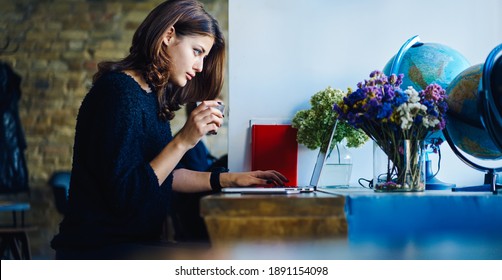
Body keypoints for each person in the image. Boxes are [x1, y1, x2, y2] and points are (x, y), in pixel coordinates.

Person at [50, 0, 287, 260]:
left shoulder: (148, 94)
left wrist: (231, 179)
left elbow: (163, 175)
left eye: (204, 57)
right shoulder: (117, 93)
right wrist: (184, 140)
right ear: (168, 35)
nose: (199, 66)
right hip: (99, 251)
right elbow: (128, 194)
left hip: (132, 244)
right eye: (197, 51)